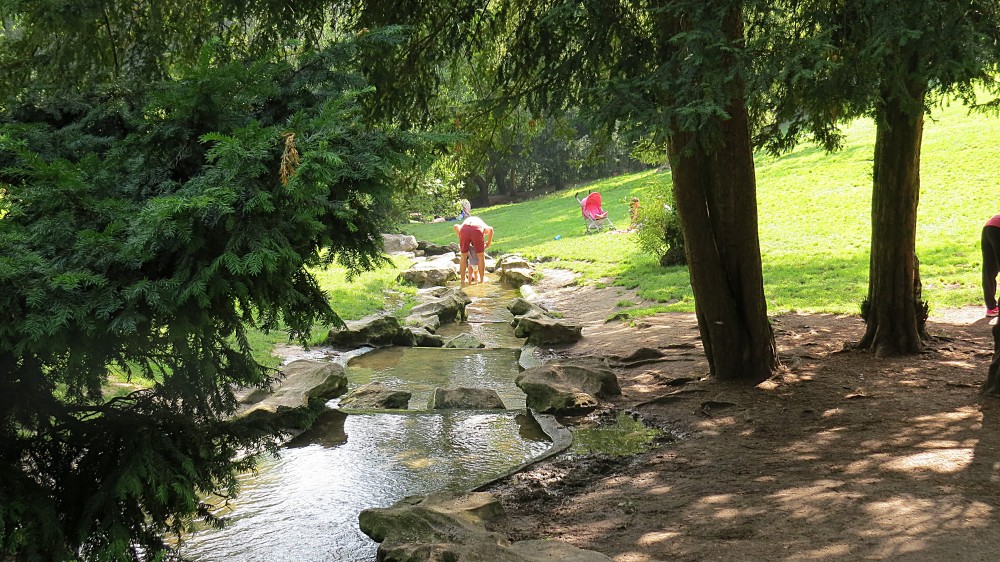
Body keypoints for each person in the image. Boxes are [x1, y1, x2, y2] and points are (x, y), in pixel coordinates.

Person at [453, 215, 493, 287]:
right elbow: (491, 229)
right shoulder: (482, 226)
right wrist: (488, 243)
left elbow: (455, 226)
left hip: (464, 230)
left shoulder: (466, 223)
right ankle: (481, 280)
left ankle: (462, 280)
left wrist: (461, 237)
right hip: (476, 230)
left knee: (463, 256)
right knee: (481, 256)